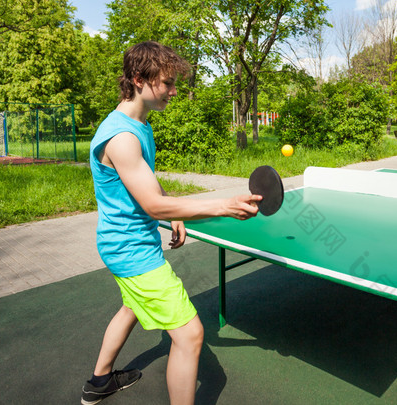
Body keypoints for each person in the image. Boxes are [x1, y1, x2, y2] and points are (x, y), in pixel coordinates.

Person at [81, 41, 261, 405]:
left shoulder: (137, 123)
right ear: (138, 79)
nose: (174, 91)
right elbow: (152, 205)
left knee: (132, 307)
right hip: (131, 251)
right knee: (191, 335)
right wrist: (223, 205)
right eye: (166, 83)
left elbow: (146, 180)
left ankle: (99, 382)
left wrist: (176, 212)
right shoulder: (122, 137)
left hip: (123, 243)